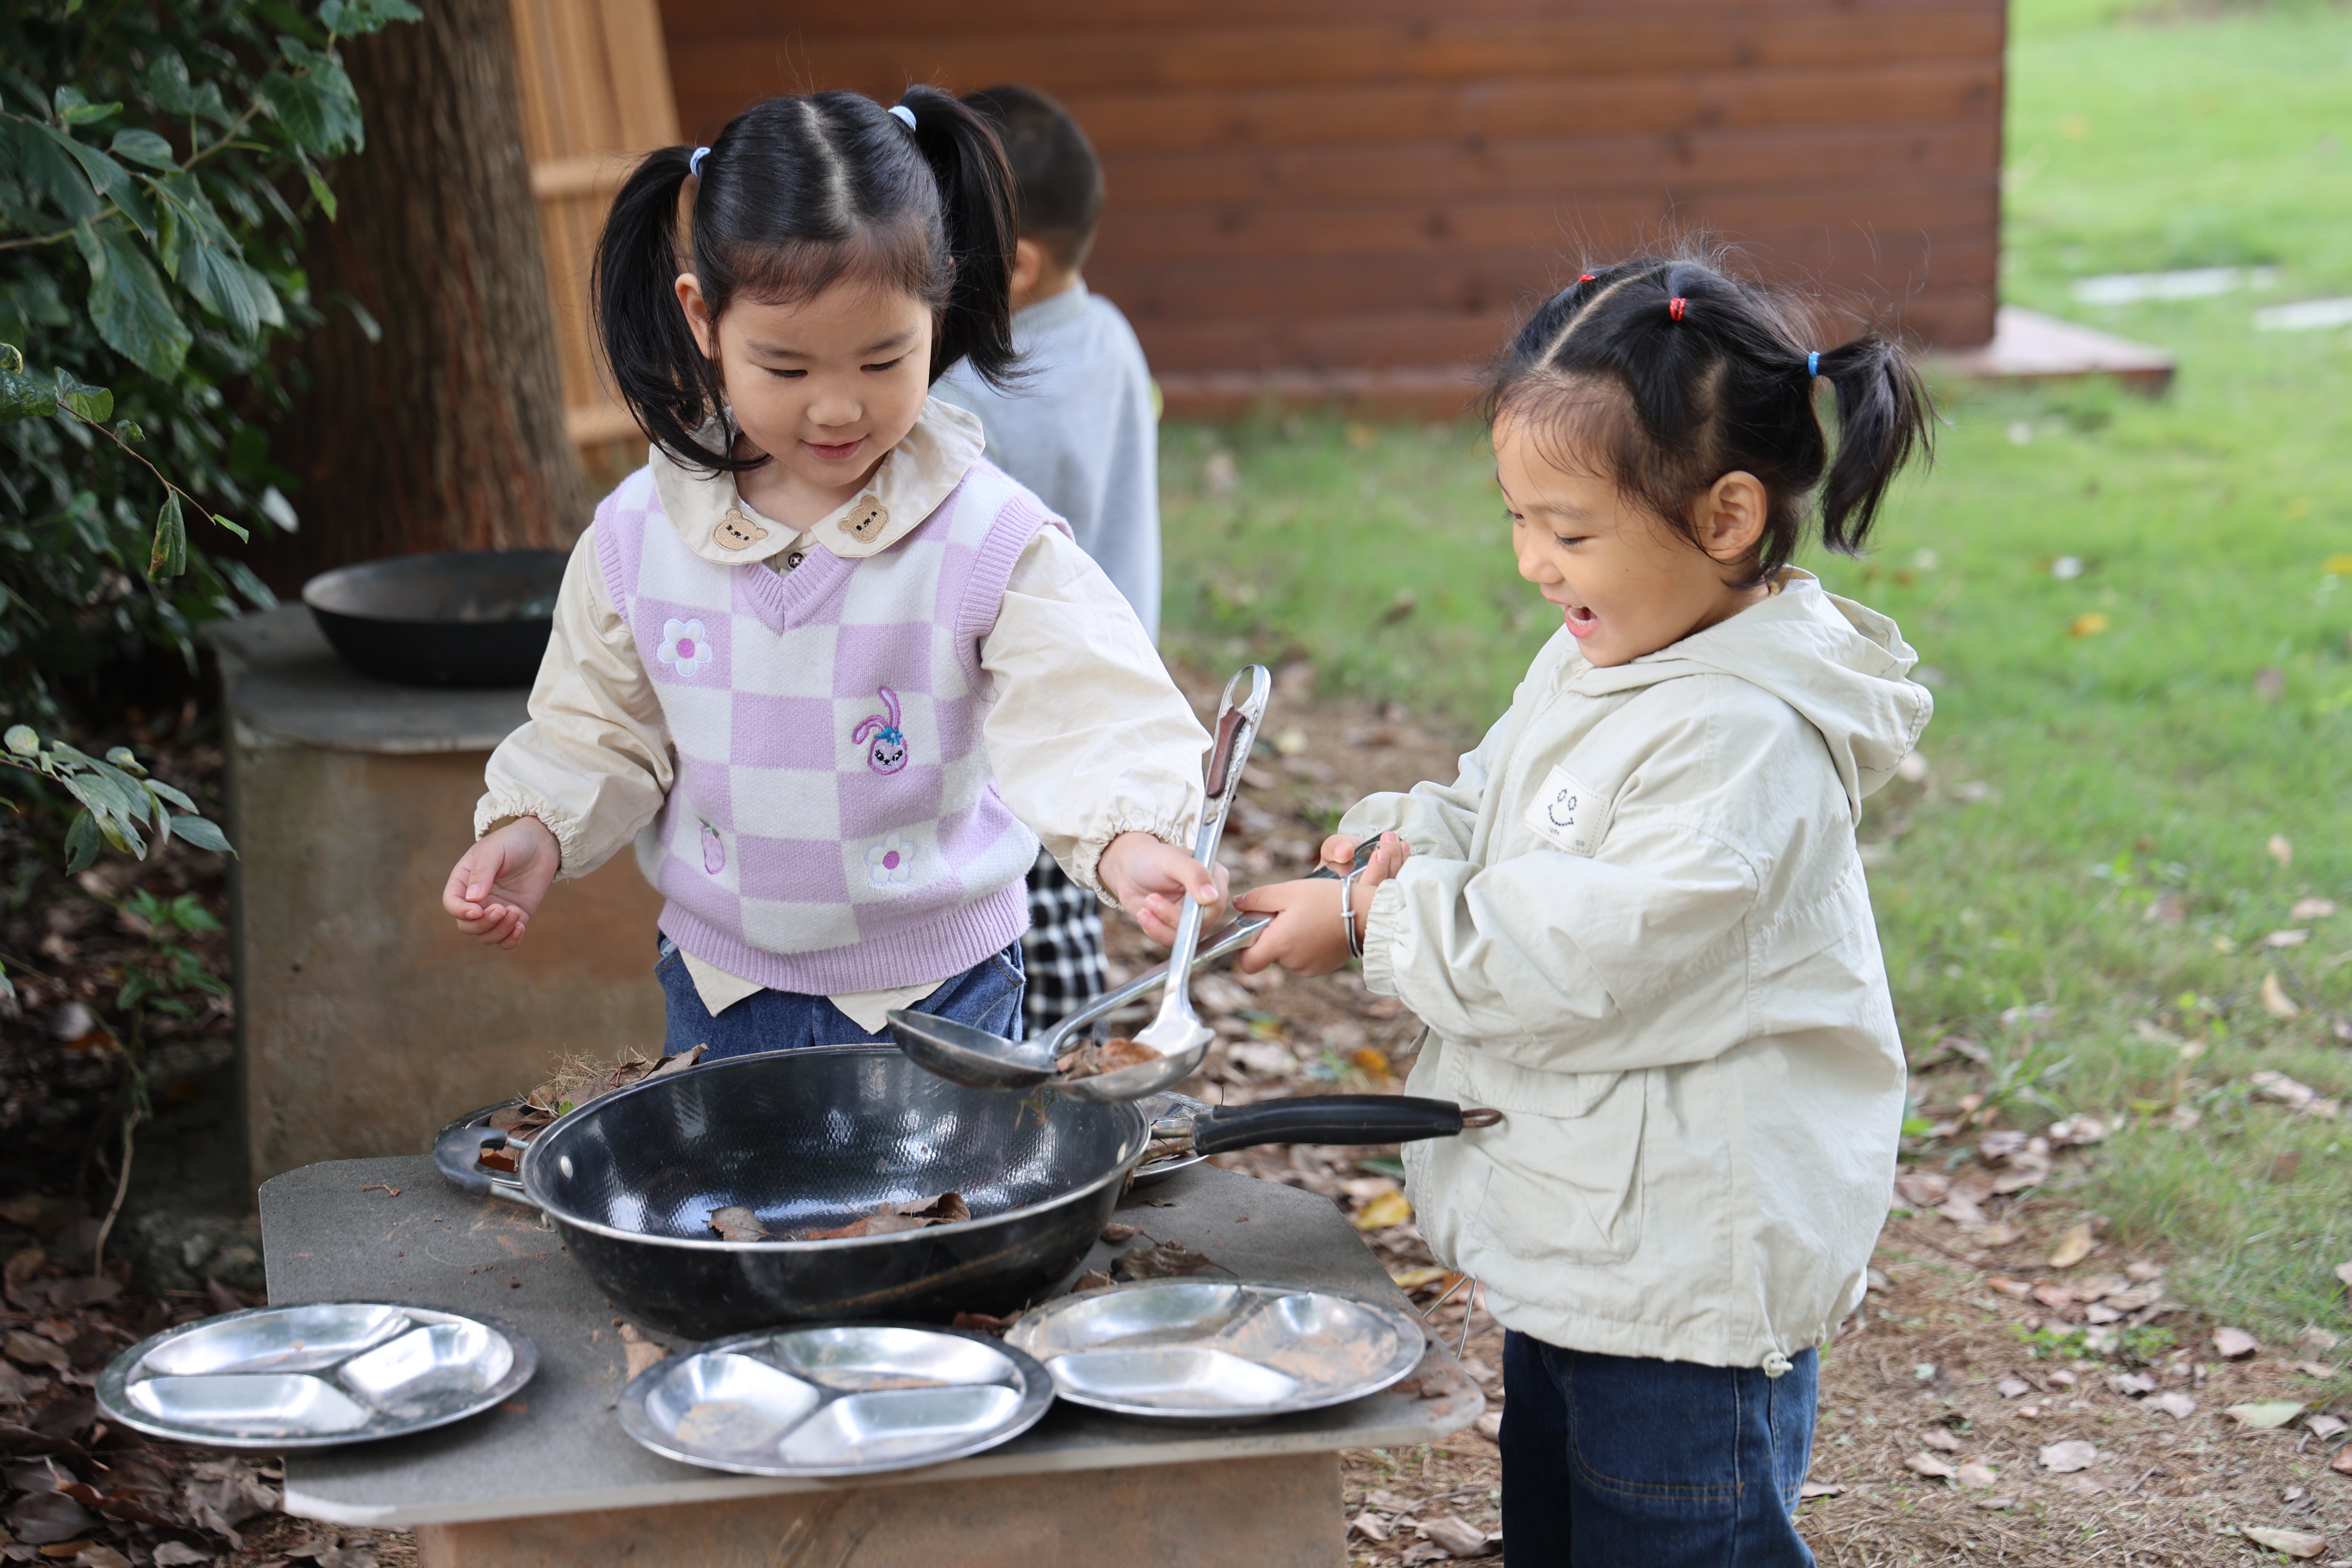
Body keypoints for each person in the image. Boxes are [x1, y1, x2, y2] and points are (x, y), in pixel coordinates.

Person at [1233, 250, 1936, 1566]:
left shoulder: (1742, 741)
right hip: (1588, 1242)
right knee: (1562, 1523)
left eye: (1567, 530)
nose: (1532, 565)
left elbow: (1579, 952)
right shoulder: (1611, 645)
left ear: (1726, 518)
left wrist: (1377, 928)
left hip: (1687, 1278)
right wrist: (1393, 848)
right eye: (1515, 519)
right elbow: (1501, 800)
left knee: (1675, 1536)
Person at [439, 87, 1225, 1061]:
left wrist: (1131, 836)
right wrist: (535, 828)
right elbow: (596, 725)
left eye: (884, 358)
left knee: (934, 1215)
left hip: (944, 994)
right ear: (704, 320)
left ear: (938, 308)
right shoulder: (640, 540)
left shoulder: (985, 537)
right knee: (743, 1211)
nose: (838, 410)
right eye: (788, 369)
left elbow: (1087, 705)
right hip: (719, 984)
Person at [932, 83, 1160, 1039]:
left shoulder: (996, 394)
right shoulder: (1106, 334)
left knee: (1029, 951)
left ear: (1012, 268)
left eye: (926, 250)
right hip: (1094, 701)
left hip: (1020, 730)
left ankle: (1048, 1110)